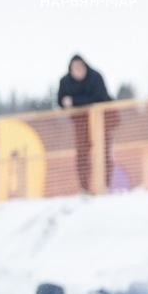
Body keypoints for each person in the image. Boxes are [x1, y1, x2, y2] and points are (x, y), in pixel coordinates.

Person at [57, 55, 114, 193]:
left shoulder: (95, 77)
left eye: (80, 66)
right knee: (82, 154)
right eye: (75, 67)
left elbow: (100, 98)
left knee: (104, 152)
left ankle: (105, 186)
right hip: (81, 123)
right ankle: (84, 188)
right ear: (70, 69)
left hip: (103, 121)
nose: (78, 70)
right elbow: (61, 101)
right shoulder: (65, 81)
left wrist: (74, 101)